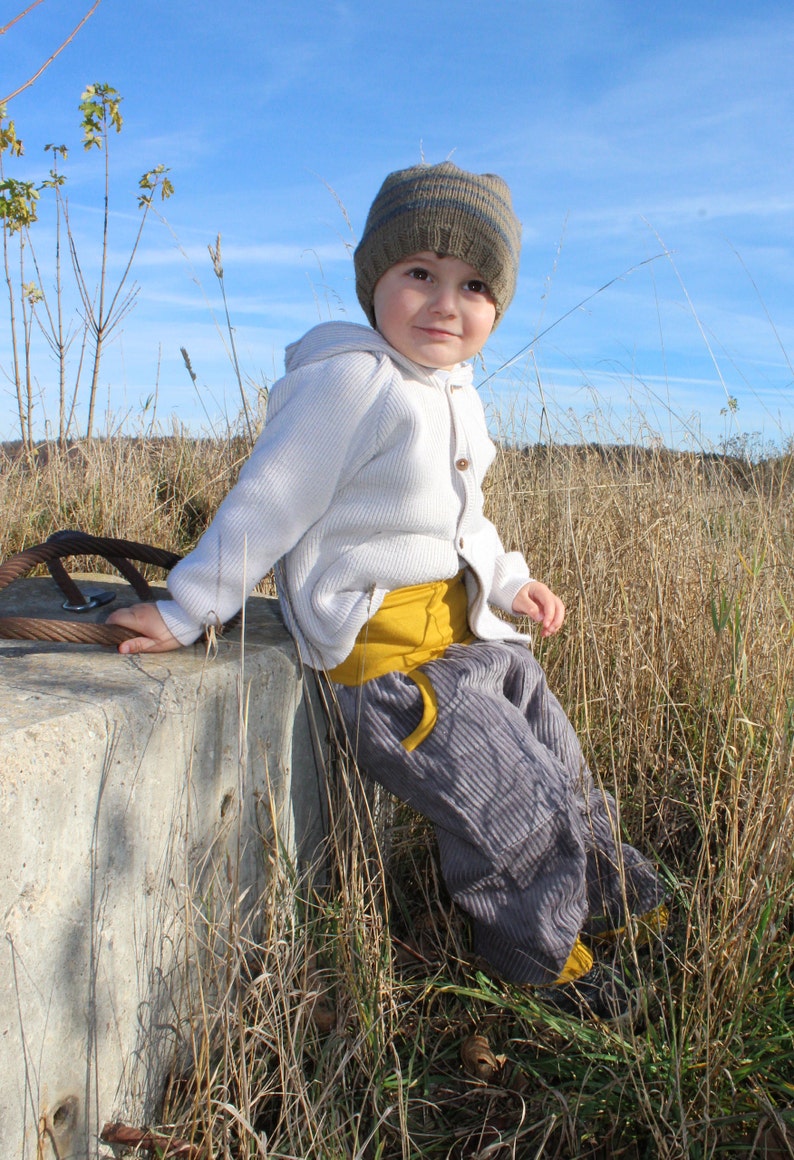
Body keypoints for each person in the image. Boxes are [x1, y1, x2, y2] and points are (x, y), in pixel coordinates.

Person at [108, 161, 666, 1022]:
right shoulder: (352, 382)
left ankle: (611, 891)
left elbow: (462, 521)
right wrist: (190, 607)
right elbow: (268, 503)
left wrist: (512, 580)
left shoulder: (453, 392)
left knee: (561, 764)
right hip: (396, 668)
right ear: (375, 281)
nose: (447, 302)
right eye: (420, 274)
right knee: (511, 807)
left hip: (470, 640)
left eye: (475, 284)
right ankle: (545, 965)